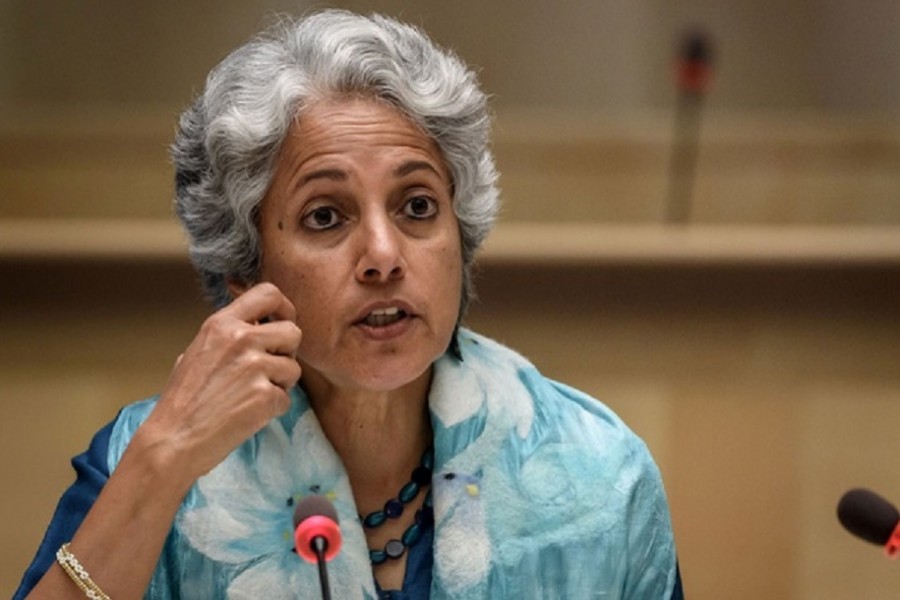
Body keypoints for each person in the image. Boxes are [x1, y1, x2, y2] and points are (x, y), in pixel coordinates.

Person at [15, 9, 683, 599]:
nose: (384, 255)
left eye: (417, 206)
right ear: (244, 270)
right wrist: (164, 461)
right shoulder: (145, 459)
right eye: (325, 216)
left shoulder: (600, 475)